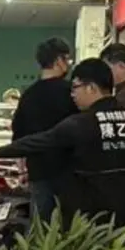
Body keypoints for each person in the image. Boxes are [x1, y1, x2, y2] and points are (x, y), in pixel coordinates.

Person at [0, 58, 125, 247]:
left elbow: (39, 142)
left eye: (75, 87)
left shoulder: (81, 124)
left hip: (91, 226)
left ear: (91, 88)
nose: (72, 95)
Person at [10, 37, 77, 224]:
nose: (68, 65)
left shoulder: (29, 95)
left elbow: (18, 136)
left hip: (38, 170)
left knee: (41, 228)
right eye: (67, 60)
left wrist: (22, 170)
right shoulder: (71, 92)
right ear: (58, 61)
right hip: (69, 171)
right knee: (70, 227)